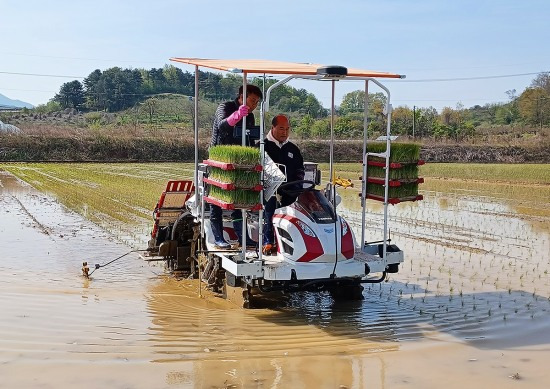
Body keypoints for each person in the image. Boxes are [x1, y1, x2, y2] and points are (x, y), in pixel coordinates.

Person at [210, 85, 262, 249]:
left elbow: (249, 139)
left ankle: (242, 237)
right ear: (241, 96)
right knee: (217, 198)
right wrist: (238, 115)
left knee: (238, 198)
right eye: (252, 100)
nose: (254, 105)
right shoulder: (224, 107)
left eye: (257, 102)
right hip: (220, 158)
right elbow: (222, 126)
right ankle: (219, 237)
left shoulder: (251, 116)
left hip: (239, 162)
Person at [263, 114, 305, 254]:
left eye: (287, 129)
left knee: (295, 212)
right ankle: (268, 241)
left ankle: (291, 243)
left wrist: (298, 186)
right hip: (268, 190)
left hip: (290, 190)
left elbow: (300, 168)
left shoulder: (293, 149)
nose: (284, 132)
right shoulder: (262, 146)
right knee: (270, 208)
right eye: (281, 129)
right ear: (273, 127)